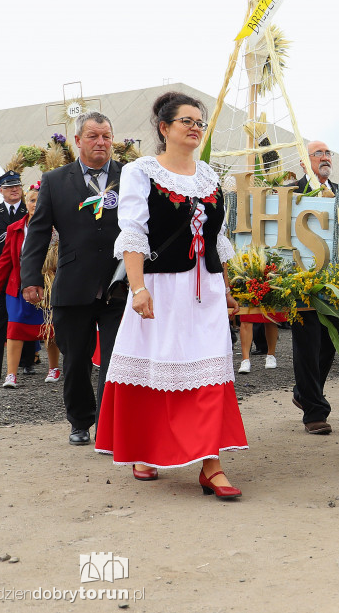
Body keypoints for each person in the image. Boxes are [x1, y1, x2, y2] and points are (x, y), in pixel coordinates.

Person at [94, 91, 246, 497]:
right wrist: (138, 287)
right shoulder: (141, 171)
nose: (196, 128)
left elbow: (219, 238)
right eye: (187, 121)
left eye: (200, 122)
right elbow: (132, 232)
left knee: (210, 368)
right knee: (156, 366)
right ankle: (145, 449)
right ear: (164, 128)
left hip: (206, 288)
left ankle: (211, 465)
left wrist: (229, 289)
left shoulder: (210, 176)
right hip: (161, 287)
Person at [22, 112, 126, 446]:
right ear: (78, 140)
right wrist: (31, 279)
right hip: (73, 283)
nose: (101, 142)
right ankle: (80, 421)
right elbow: (37, 233)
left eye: (107, 136)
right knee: (77, 360)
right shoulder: (55, 180)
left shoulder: (131, 177)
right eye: (94, 136)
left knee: (116, 358)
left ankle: (110, 427)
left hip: (119, 283)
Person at [289, 140, 339, 434]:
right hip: (300, 281)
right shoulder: (291, 193)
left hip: (336, 281)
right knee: (307, 344)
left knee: (329, 344)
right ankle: (315, 412)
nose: (325, 157)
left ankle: (304, 393)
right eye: (318, 153)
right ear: (304, 162)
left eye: (328, 152)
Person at [0, 181, 61, 388]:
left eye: (40, 200)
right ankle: (11, 374)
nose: (36, 204)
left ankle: (54, 368)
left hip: (48, 286)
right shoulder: (15, 228)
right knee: (15, 328)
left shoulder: (57, 228)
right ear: (25, 202)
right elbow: (4, 262)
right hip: (18, 288)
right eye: (31, 200)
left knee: (50, 328)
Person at [0, 171, 30, 380]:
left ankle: (27, 362)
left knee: (27, 315)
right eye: (10, 187)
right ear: (1, 191)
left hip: (24, 273)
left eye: (17, 186)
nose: (15, 190)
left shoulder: (29, 209)